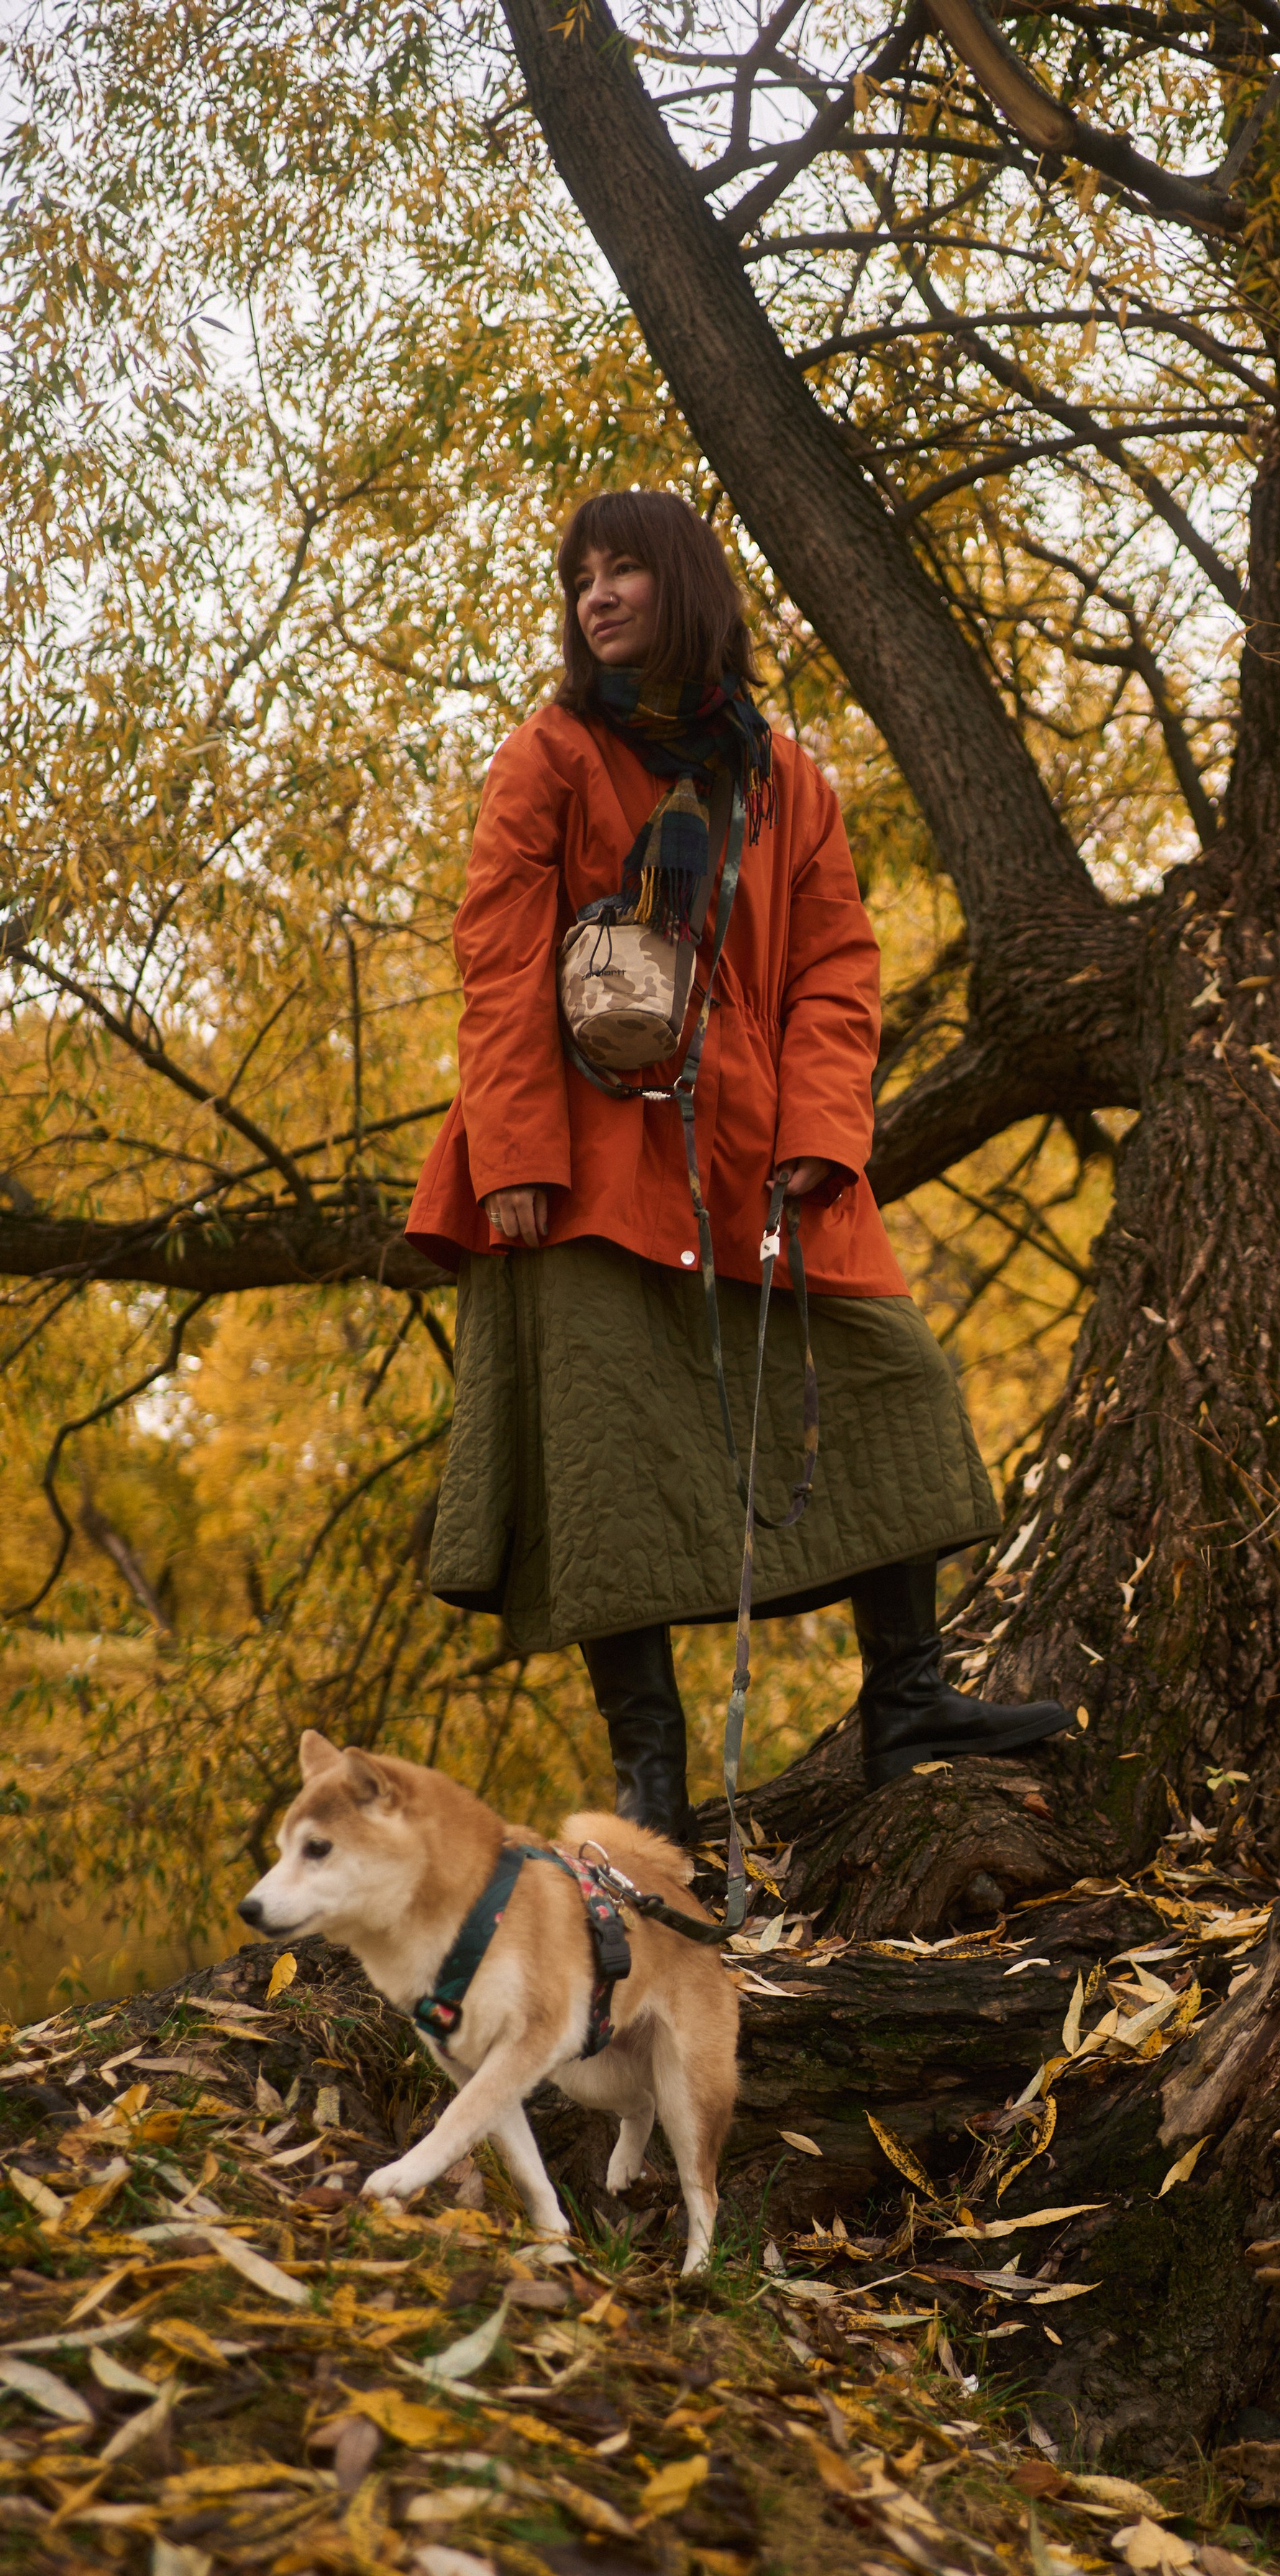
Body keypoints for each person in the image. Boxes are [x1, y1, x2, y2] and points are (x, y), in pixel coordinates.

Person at [405, 488, 1074, 1842]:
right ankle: (651, 1780)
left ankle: (908, 1702)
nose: (598, 596)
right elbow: (497, 960)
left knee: (893, 1383)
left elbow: (838, 968)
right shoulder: (551, 753)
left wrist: (827, 1135)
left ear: (686, 589)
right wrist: (514, 1150)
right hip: (585, 1166)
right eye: (581, 577)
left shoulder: (789, 778)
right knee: (608, 1465)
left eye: (626, 573)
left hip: (762, 1154)